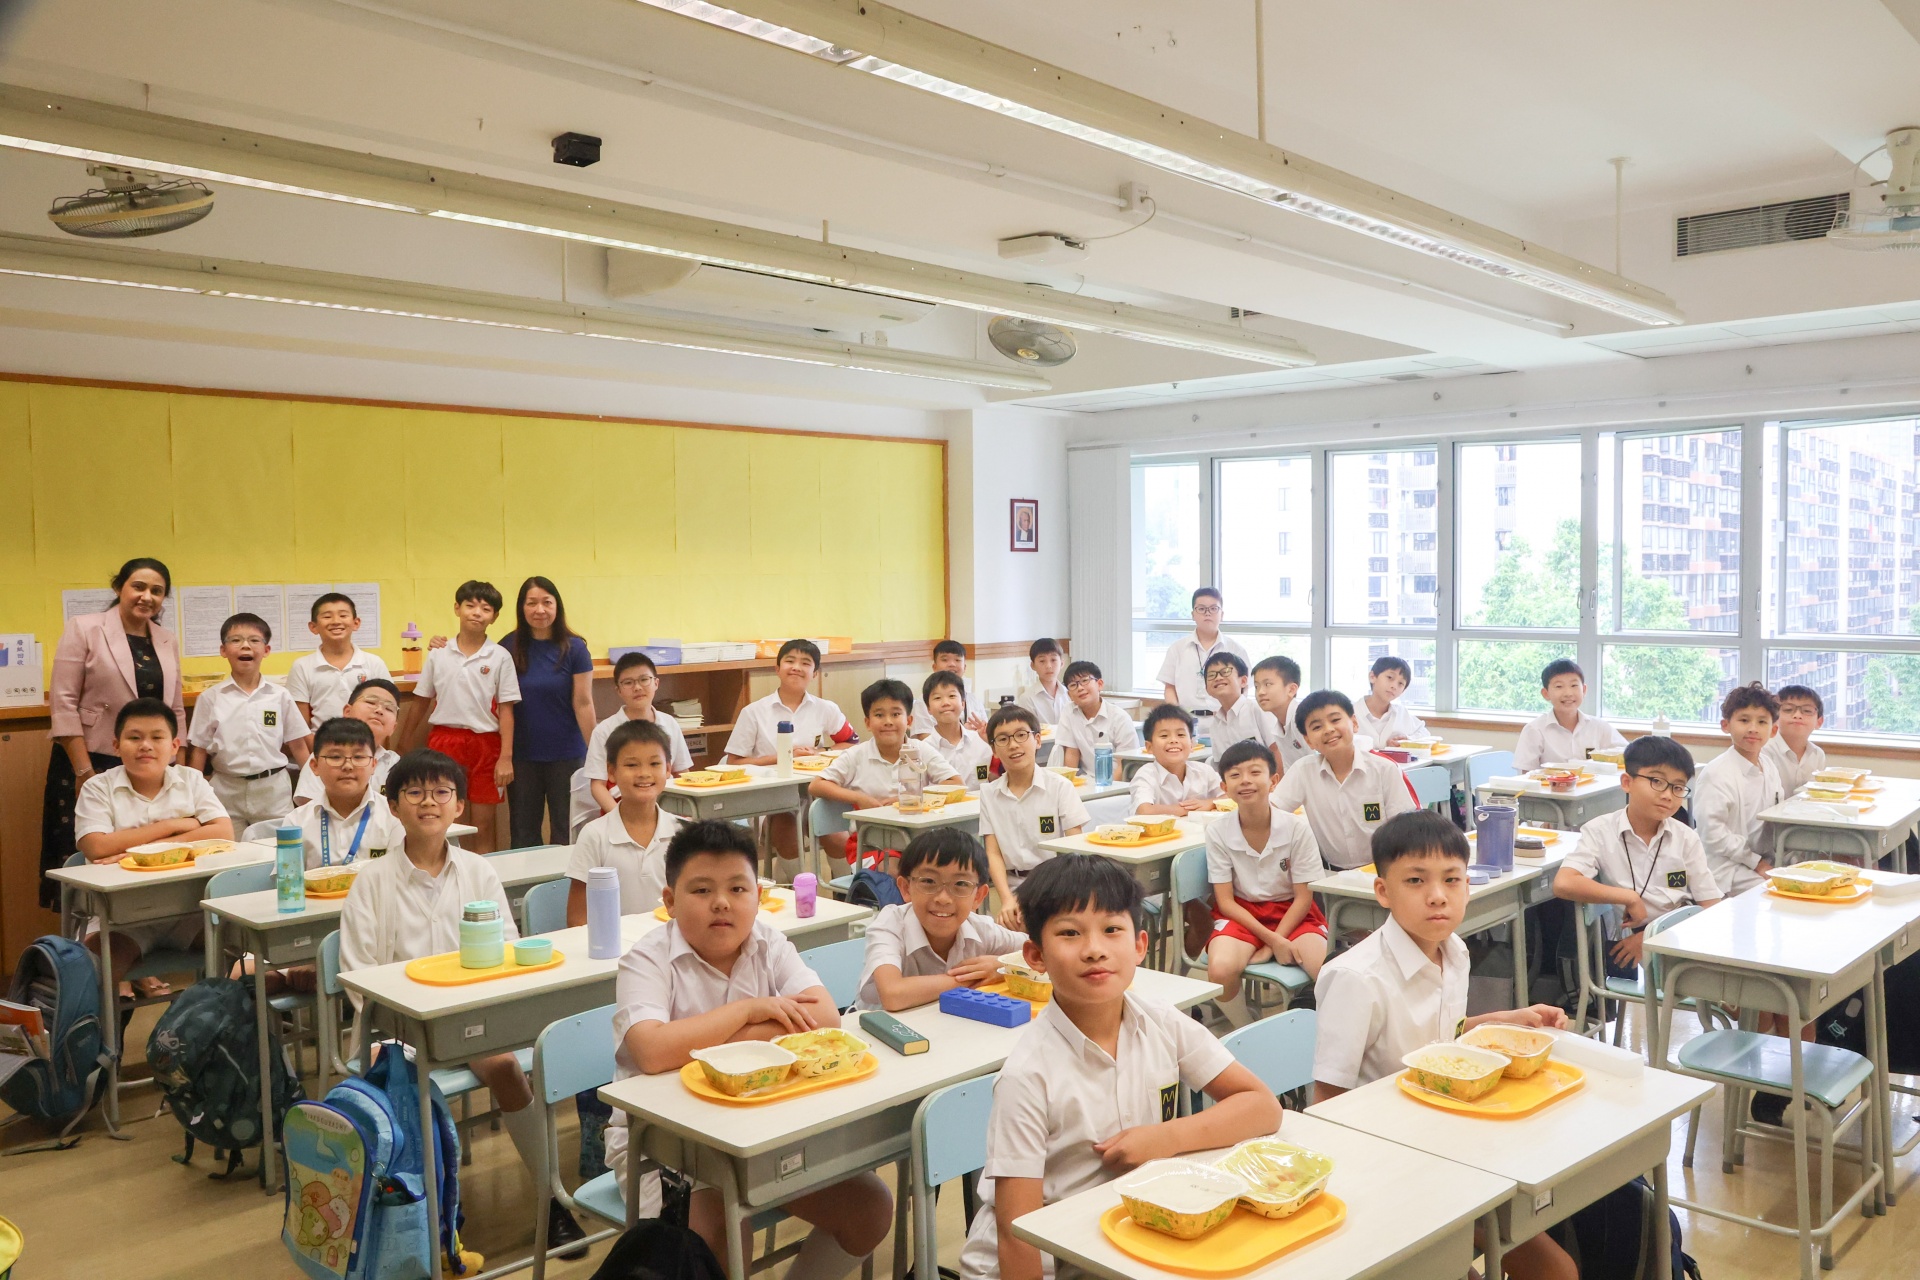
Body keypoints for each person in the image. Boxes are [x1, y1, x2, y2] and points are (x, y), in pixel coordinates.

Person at [957, 854, 1282, 1280]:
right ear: (1035, 955)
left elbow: (1262, 1107)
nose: (1094, 950)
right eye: (1070, 933)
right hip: (1048, 1263)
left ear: (1140, 946)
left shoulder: (1160, 1020)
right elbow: (1017, 1235)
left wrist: (1166, 1138)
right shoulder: (1027, 1075)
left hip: (1123, 1240)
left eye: (1112, 930)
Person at [610, 820, 892, 1279]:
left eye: (737, 888)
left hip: (762, 1131)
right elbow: (652, 1051)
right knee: (719, 1237)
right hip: (667, 1148)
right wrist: (749, 1011)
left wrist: (717, 1038)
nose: (721, 902)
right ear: (670, 901)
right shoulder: (646, 959)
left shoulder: (768, 943)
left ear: (758, 897)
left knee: (870, 1208)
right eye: (702, 890)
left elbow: (824, 1018)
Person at [339, 750, 586, 1254]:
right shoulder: (372, 881)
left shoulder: (477, 871)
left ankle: (551, 1201)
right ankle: (420, 1219)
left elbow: (508, 948)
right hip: (396, 1028)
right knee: (397, 1084)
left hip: (470, 1020)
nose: (428, 802)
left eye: (441, 792)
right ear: (393, 806)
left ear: (459, 806)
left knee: (506, 1067)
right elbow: (359, 978)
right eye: (414, 792)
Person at [1312, 812, 1574, 1280]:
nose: (1437, 895)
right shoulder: (1356, 978)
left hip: (1452, 1140)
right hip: (1389, 1163)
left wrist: (1504, 1020)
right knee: (1553, 1271)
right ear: (1382, 891)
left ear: (1468, 886)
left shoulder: (1454, 951)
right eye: (1416, 880)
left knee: (1556, 1264)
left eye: (1452, 879)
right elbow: (1327, 1101)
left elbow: (1441, 1040)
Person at [43, 557, 184, 908]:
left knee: (145, 851)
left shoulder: (166, 639)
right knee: (89, 854)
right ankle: (85, 932)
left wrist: (175, 768)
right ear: (119, 587)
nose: (147, 596)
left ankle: (141, 923)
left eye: (157, 591)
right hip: (90, 758)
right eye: (139, 587)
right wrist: (84, 772)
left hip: (148, 763)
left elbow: (175, 709)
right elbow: (63, 704)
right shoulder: (85, 628)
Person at [75, 698, 232, 996]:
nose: (145, 746)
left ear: (174, 746)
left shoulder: (191, 779)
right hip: (120, 918)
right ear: (116, 746)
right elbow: (95, 846)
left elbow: (224, 832)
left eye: (157, 737)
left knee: (243, 949)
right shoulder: (97, 787)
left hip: (189, 912)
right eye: (134, 738)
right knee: (89, 976)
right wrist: (174, 825)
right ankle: (106, 1027)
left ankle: (199, 1020)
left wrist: (152, 847)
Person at [1554, 735, 1721, 977]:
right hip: (1635, 954)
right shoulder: (1600, 831)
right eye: (1656, 781)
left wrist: (1650, 939)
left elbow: (1711, 907)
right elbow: (1563, 883)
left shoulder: (1686, 838)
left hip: (1679, 939)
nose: (1668, 795)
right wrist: (1629, 897)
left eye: (1677, 787)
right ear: (1627, 782)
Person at [1204, 740, 1328, 1027]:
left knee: (1327, 971)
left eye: (1255, 772)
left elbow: (1303, 898)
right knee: (1220, 970)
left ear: (1274, 781)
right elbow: (1225, 902)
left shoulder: (1297, 828)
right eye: (1235, 775)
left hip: (1293, 912)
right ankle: (1246, 1030)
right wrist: (1273, 941)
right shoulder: (1217, 831)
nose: (1245, 781)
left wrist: (1273, 945)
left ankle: (1322, 1037)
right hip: (1242, 913)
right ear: (1224, 787)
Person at [402, 581, 520, 853]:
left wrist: (506, 757)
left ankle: (484, 877)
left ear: (495, 616)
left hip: (486, 745)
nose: (477, 613)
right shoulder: (438, 653)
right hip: (444, 742)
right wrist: (404, 742)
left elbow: (506, 710)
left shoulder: (500, 657)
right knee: (446, 821)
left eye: (486, 608)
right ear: (457, 608)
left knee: (483, 825)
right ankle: (448, 874)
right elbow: (421, 701)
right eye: (470, 606)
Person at [854, 827, 1025, 1011]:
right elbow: (893, 994)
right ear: (905, 888)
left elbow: (1039, 952)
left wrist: (1002, 965)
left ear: (978, 896)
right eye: (929, 881)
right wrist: (975, 977)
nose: (943, 898)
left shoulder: (981, 929)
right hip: (881, 1027)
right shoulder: (890, 925)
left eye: (960, 884)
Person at [724, 639, 856, 865]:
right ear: (777, 668)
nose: (796, 667)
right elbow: (734, 762)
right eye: (790, 661)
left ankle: (846, 886)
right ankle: (800, 885)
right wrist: (785, 757)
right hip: (769, 797)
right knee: (787, 834)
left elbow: (851, 743)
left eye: (805, 663)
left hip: (816, 792)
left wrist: (820, 751)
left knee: (837, 838)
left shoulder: (826, 708)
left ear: (815, 673)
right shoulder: (754, 712)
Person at [185, 612, 312, 833]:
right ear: (223, 650)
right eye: (236, 640)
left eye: (254, 640)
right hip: (225, 788)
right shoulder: (210, 698)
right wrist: (193, 795)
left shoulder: (280, 695)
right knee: (228, 847)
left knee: (277, 847)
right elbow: (199, 749)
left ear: (266, 650)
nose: (245, 646)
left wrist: (312, 787)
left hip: (273, 789)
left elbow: (298, 745)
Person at [498, 577, 595, 848]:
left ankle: (567, 878)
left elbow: (584, 703)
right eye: (532, 603)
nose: (539, 610)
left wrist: (598, 752)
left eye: (546, 602)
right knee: (523, 832)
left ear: (557, 606)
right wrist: (440, 644)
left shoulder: (575, 648)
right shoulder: (507, 647)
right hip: (522, 756)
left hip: (568, 754)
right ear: (522, 608)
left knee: (568, 831)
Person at [1270, 691, 1416, 871]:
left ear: (1354, 723)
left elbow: (1405, 828)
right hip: (1330, 874)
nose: (1328, 729)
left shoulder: (1384, 769)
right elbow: (1272, 813)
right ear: (1308, 741)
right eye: (1317, 727)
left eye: (1335, 720)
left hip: (1383, 870)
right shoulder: (1303, 771)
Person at [979, 705, 1089, 929]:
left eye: (1021, 735)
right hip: (1011, 886)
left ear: (1037, 740)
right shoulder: (989, 793)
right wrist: (1007, 899)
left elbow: (1074, 850)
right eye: (1003, 739)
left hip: (1056, 886)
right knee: (1007, 927)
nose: (1013, 745)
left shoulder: (1060, 787)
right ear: (994, 750)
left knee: (1033, 927)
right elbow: (993, 853)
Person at [1693, 682, 1785, 899]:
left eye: (1762, 722)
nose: (1753, 728)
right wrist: (1756, 862)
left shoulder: (1769, 766)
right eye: (1744, 720)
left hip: (1762, 860)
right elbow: (1712, 834)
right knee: (1776, 895)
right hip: (1724, 867)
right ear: (1726, 725)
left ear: (1773, 730)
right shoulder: (1716, 773)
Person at [810, 679, 958, 810]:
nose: (888, 721)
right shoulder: (856, 755)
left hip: (918, 828)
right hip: (869, 831)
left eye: (896, 714)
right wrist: (858, 798)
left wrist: (911, 797)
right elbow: (817, 785)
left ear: (909, 721)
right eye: (879, 715)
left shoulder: (921, 749)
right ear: (868, 723)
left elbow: (955, 782)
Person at [284, 717, 404, 871]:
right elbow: (288, 878)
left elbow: (400, 876)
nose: (348, 766)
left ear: (373, 765)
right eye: (335, 757)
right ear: (314, 766)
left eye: (358, 757)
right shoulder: (296, 822)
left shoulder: (394, 817)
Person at [586, 652, 693, 817]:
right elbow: (597, 786)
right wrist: (620, 819)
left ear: (656, 683)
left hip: (668, 808)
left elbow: (683, 774)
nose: (637, 687)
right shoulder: (604, 731)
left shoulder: (670, 723)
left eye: (644, 679)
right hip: (621, 810)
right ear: (618, 690)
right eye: (628, 682)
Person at [287, 592, 392, 726]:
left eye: (343, 615)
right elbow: (300, 726)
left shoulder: (374, 663)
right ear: (313, 627)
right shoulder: (302, 666)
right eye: (327, 616)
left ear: (356, 623)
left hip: (366, 738)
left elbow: (388, 709)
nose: (336, 621)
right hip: (320, 738)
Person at [292, 679, 402, 805]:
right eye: (371, 702)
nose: (379, 710)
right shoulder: (325, 757)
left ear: (393, 728)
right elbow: (309, 807)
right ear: (347, 712)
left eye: (389, 708)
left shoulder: (396, 764)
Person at [1512, 659, 1626, 771]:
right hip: (1550, 784)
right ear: (1546, 694)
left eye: (1574, 685)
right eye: (1559, 686)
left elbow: (1629, 755)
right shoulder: (1534, 730)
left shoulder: (1599, 727)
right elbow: (1526, 776)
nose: (1568, 693)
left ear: (1584, 690)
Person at [1156, 587, 1248, 712]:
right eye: (1201, 609)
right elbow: (1170, 687)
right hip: (1187, 718)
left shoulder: (1236, 650)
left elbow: (1244, 689)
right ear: (1193, 615)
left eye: (1213, 608)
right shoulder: (1177, 648)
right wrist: (1177, 716)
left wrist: (1232, 716)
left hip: (1224, 718)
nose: (1207, 613)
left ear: (1222, 615)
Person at [1129, 705, 1223, 816]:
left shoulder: (1204, 771)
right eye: (1164, 736)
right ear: (1149, 747)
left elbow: (1231, 796)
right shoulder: (1146, 775)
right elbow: (1145, 810)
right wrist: (1191, 809)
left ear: (1192, 744)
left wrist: (1210, 803)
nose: (1174, 740)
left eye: (1181, 735)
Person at [1054, 660, 1141, 773]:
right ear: (1069, 695)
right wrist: (1070, 782)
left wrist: (1108, 784)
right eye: (1073, 685)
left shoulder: (1120, 718)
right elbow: (1072, 753)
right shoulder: (1069, 712)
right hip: (1086, 780)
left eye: (1085, 681)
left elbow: (1124, 764)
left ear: (1099, 684)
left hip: (1116, 779)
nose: (1080, 688)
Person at [921, 670, 993, 785]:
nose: (946, 703)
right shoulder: (923, 749)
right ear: (928, 708)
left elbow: (998, 779)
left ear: (963, 703)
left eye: (952, 696)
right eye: (937, 698)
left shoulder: (981, 741)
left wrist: (994, 744)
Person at [912, 640, 989, 736]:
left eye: (957, 660)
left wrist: (982, 731)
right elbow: (923, 737)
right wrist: (963, 733)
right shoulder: (924, 701)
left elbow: (987, 730)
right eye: (945, 660)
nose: (952, 664)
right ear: (935, 667)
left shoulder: (973, 699)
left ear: (964, 667)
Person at [1250, 656, 1311, 776]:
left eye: (1268, 684)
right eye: (1257, 686)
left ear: (1291, 689)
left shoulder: (1303, 720)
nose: (1260, 692)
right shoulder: (1278, 726)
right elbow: (1289, 770)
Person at [1203, 651, 1272, 755]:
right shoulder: (1215, 725)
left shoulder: (1257, 709)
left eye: (1225, 672)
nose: (1218, 678)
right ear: (1207, 689)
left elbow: (1276, 749)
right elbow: (1221, 762)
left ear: (1243, 681)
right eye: (1211, 675)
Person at [1352, 655, 1427, 747]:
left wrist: (1407, 740)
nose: (1394, 686)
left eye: (1400, 683)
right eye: (1390, 677)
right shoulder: (1350, 712)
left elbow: (1424, 733)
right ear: (1372, 677)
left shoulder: (1402, 714)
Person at [1765, 684, 1827, 792]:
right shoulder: (1765, 751)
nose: (1797, 715)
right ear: (1774, 717)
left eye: (1807, 711)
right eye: (1788, 709)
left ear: (1819, 722)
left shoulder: (1817, 754)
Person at [1016, 638, 1069, 728]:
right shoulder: (1027, 698)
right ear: (1032, 665)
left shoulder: (1070, 694)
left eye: (1053, 660)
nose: (1048, 666)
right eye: (1042, 661)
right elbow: (1030, 730)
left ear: (1062, 663)